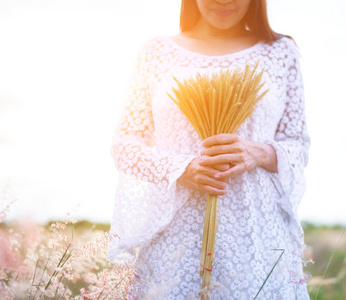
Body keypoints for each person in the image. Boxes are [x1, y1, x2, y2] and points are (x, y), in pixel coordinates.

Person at [108, 0, 311, 298]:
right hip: (174, 239)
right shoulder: (155, 53)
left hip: (257, 239)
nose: (224, 1)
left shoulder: (280, 52)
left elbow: (298, 146)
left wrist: (258, 152)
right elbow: (124, 145)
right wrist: (180, 169)